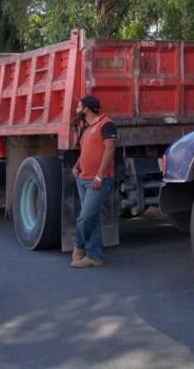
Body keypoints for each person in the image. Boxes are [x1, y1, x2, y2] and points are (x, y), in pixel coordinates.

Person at [70, 95, 117, 269]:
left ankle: (78, 243)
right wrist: (76, 166)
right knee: (93, 218)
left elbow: (110, 148)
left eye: (78, 106)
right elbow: (85, 152)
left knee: (85, 217)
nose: (76, 109)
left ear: (86, 109)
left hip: (97, 180)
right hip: (83, 178)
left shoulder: (106, 124)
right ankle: (94, 256)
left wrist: (99, 175)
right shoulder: (88, 127)